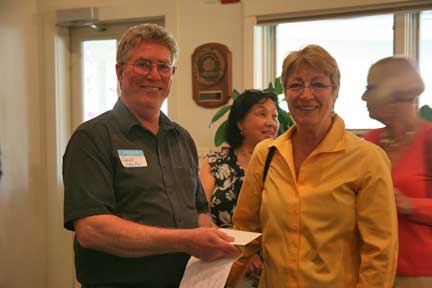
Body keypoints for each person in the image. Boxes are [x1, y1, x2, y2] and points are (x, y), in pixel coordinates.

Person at [62, 23, 237, 288]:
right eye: (143, 64)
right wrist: (186, 240)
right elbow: (92, 230)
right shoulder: (93, 138)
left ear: (172, 74)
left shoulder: (182, 139)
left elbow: (199, 211)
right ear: (120, 71)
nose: (154, 75)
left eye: (163, 66)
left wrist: (214, 238)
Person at [226, 44, 398, 288]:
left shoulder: (367, 159)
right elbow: (244, 232)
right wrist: (223, 281)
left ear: (335, 91)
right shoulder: (266, 155)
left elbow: (380, 252)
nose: (306, 95)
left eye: (318, 84)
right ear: (286, 92)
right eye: (296, 85)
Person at [362, 56, 432, 288]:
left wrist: (408, 205)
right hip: (374, 271)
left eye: (370, 88)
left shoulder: (429, 139)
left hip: (421, 275)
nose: (364, 97)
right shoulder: (370, 141)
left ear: (396, 93)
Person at [199, 89, 280, 285]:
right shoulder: (214, 163)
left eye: (275, 116)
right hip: (222, 261)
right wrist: (241, 252)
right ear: (240, 123)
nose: (271, 122)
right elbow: (201, 214)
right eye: (261, 114)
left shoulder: (284, 166)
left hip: (275, 266)